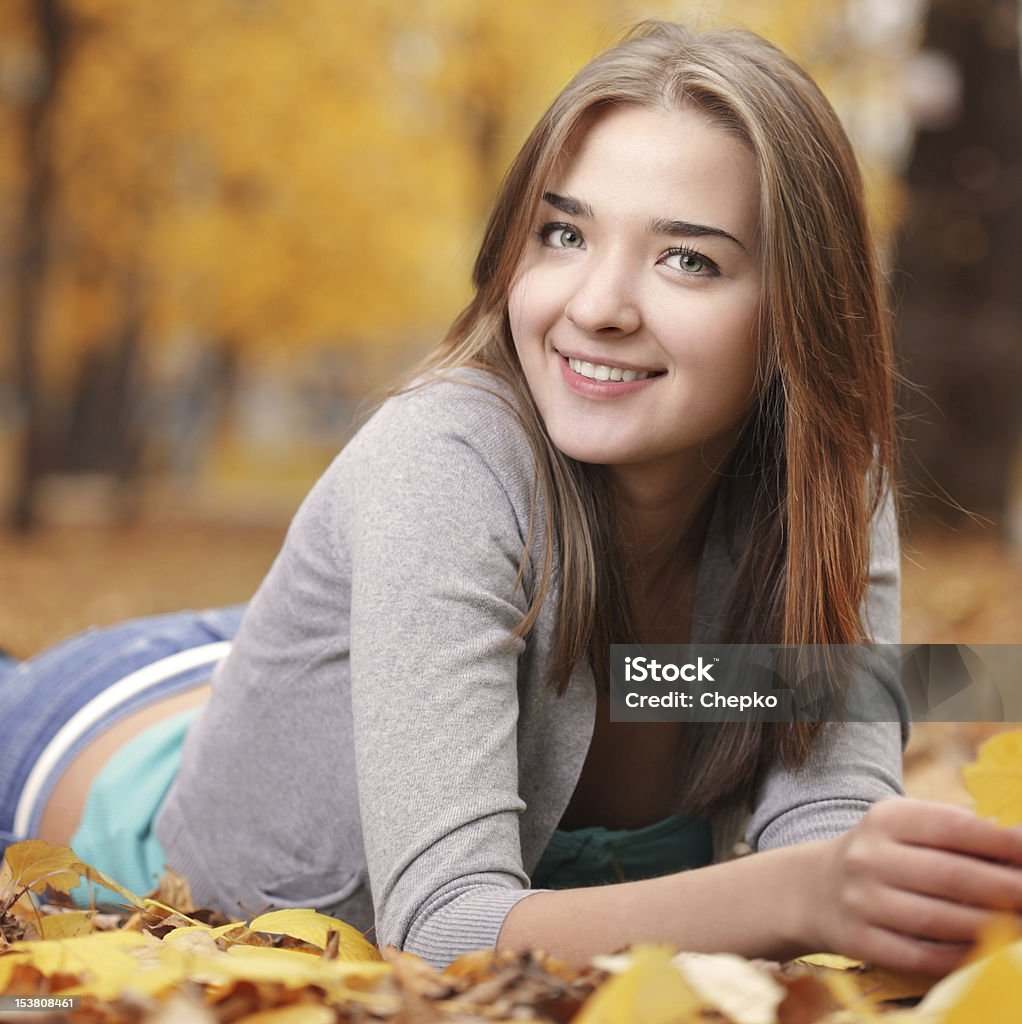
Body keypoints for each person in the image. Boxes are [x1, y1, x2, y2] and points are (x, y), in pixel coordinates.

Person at [3, 20, 1021, 977]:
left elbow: (828, 829)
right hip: (103, 728)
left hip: (348, 665)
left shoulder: (823, 480)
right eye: (563, 235)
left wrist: (900, 883)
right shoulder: (445, 457)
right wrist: (802, 893)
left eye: (685, 259)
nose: (594, 307)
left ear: (796, 306)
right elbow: (446, 929)